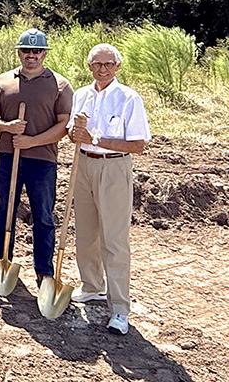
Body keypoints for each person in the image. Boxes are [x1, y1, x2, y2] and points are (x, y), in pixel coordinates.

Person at [67, 44, 150, 336]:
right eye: (97, 64)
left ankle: (119, 309)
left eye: (108, 64)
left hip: (114, 168)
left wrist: (96, 138)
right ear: (89, 66)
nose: (102, 69)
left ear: (117, 66)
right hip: (83, 165)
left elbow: (138, 145)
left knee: (114, 239)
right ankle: (92, 287)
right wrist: (74, 133)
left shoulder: (129, 98)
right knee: (86, 233)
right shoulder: (81, 95)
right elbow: (72, 133)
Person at [0, 29, 73, 287]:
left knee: (43, 216)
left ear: (44, 53)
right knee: (5, 211)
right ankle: (0, 261)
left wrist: (32, 141)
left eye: (36, 51)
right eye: (26, 51)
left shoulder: (60, 85)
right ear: (19, 53)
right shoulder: (3, 82)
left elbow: (64, 126)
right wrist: (7, 127)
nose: (31, 55)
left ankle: (44, 271)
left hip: (43, 160)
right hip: (9, 157)